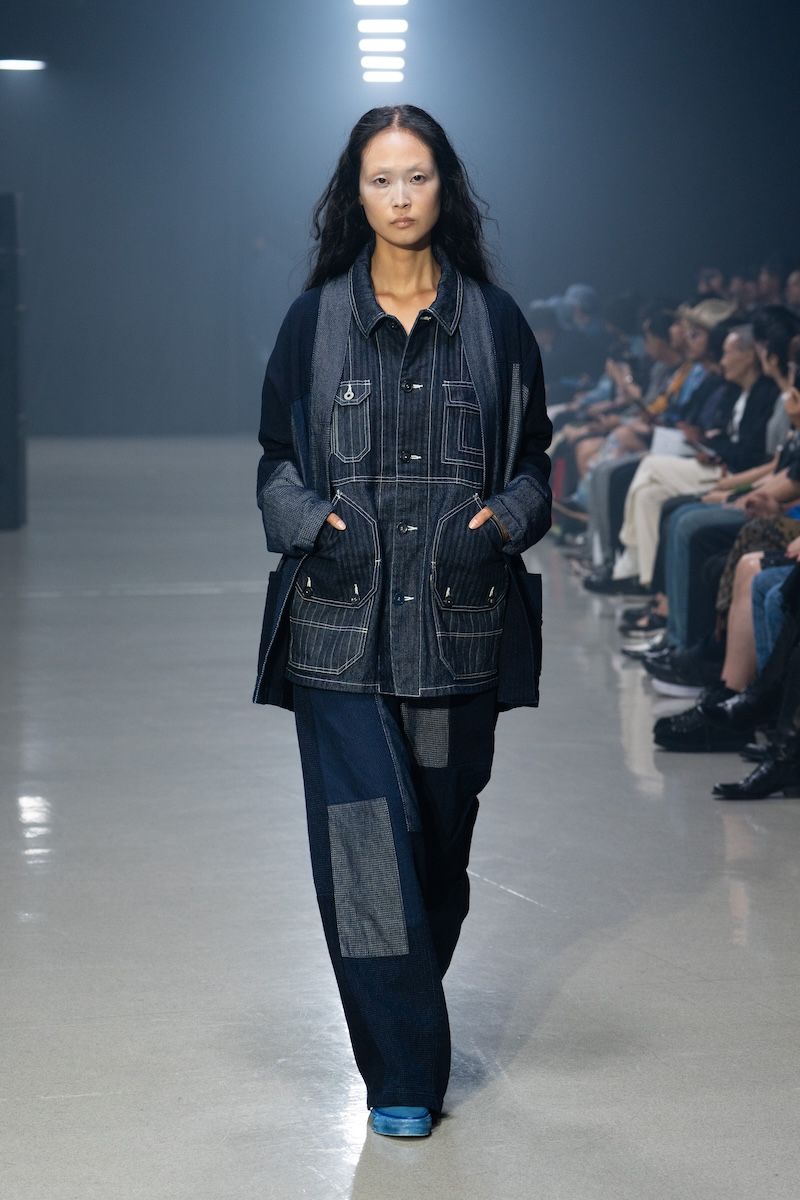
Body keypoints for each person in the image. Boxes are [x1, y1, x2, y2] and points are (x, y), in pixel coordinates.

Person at [251, 105, 552, 1139]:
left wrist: (501, 521)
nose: (400, 197)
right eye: (380, 180)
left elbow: (534, 465)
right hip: (338, 633)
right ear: (356, 194)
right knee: (366, 853)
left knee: (438, 859)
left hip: (458, 633)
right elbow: (274, 463)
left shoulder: (497, 324)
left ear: (444, 186)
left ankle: (401, 1019)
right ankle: (403, 1079)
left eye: (416, 176)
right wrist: (312, 523)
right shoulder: (313, 324)